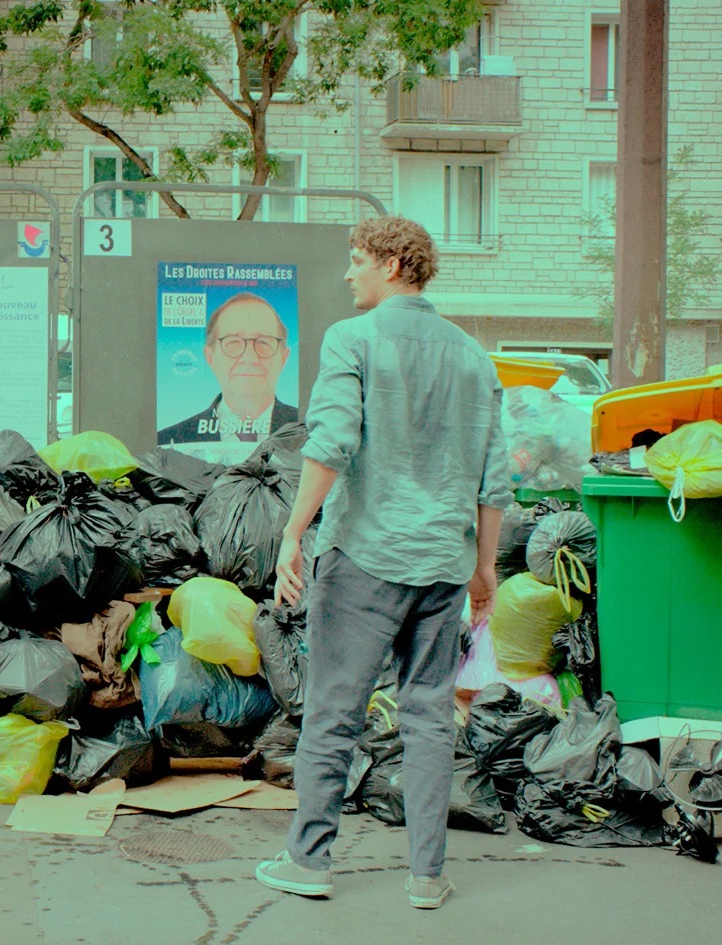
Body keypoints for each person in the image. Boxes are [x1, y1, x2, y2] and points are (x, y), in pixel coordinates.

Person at [253, 216, 510, 910]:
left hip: (366, 557)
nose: (349, 273)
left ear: (393, 265)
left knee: (334, 709)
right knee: (429, 715)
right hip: (443, 563)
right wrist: (484, 568)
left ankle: (309, 860)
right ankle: (427, 875)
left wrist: (292, 533)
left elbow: (331, 443)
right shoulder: (474, 357)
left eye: (358, 260)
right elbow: (494, 480)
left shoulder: (352, 338)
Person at [157, 292, 298, 449]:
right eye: (233, 342)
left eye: (264, 342)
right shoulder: (168, 442)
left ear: (284, 358)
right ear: (210, 357)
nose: (249, 358)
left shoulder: (312, 435)